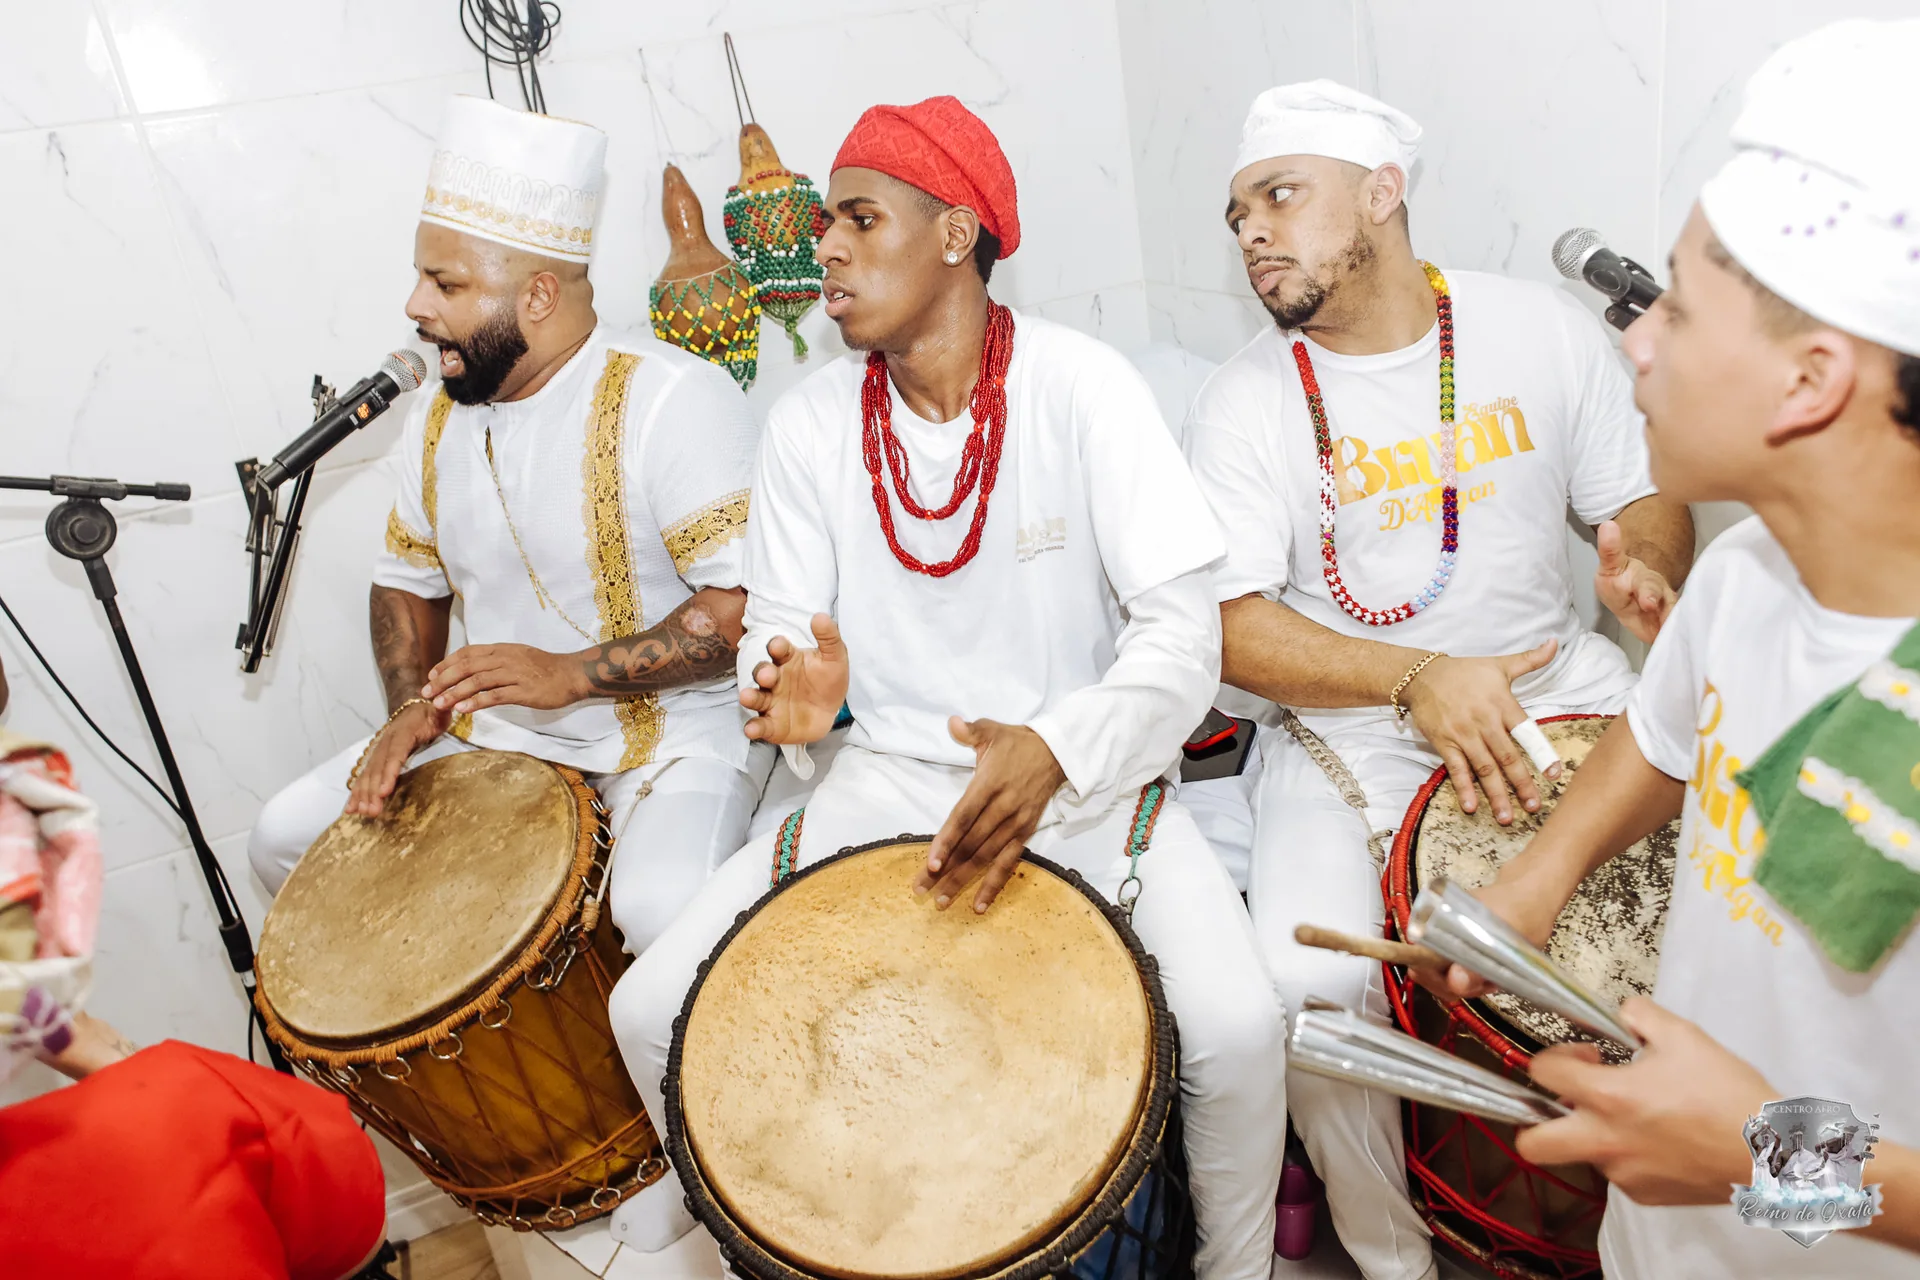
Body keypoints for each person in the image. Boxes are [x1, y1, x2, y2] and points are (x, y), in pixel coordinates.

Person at [609, 96, 1288, 1280]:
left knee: (1234, 1031)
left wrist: (1060, 748)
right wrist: (799, 694)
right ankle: (809, 1246)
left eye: (861, 219)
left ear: (957, 235)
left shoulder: (1084, 388)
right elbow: (780, 640)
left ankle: (1239, 1269)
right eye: (825, 221)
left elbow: (1184, 641)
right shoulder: (813, 423)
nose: (825, 245)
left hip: (1089, 783)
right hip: (883, 785)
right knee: (649, 1010)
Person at [1180, 81, 1695, 1280]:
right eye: (1238, 209)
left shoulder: (1537, 328)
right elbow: (1227, 628)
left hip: (1562, 684)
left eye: (1279, 195)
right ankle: (1397, 1253)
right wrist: (1415, 678)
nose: (1251, 227)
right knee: (1307, 992)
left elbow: (1643, 492)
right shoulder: (1245, 401)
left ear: (1383, 192)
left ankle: (1663, 1227)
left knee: (1713, 913)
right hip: (1353, 730)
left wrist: (1653, 567)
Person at [1441, 19, 1920, 1276]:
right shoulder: (1756, 565)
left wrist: (1759, 1152)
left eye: (1681, 311)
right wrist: (1537, 881)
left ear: (1810, 379)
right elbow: (1667, 738)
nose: (1636, 343)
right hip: (1669, 1234)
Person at [246, 95, 770, 964]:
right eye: (422, 276)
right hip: (498, 733)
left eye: (447, 285)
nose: (416, 305)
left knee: (662, 908)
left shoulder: (672, 398)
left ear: (536, 294)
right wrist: (414, 708)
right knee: (283, 839)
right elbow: (404, 580)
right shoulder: (435, 417)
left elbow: (745, 606)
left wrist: (567, 676)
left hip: (674, 736)